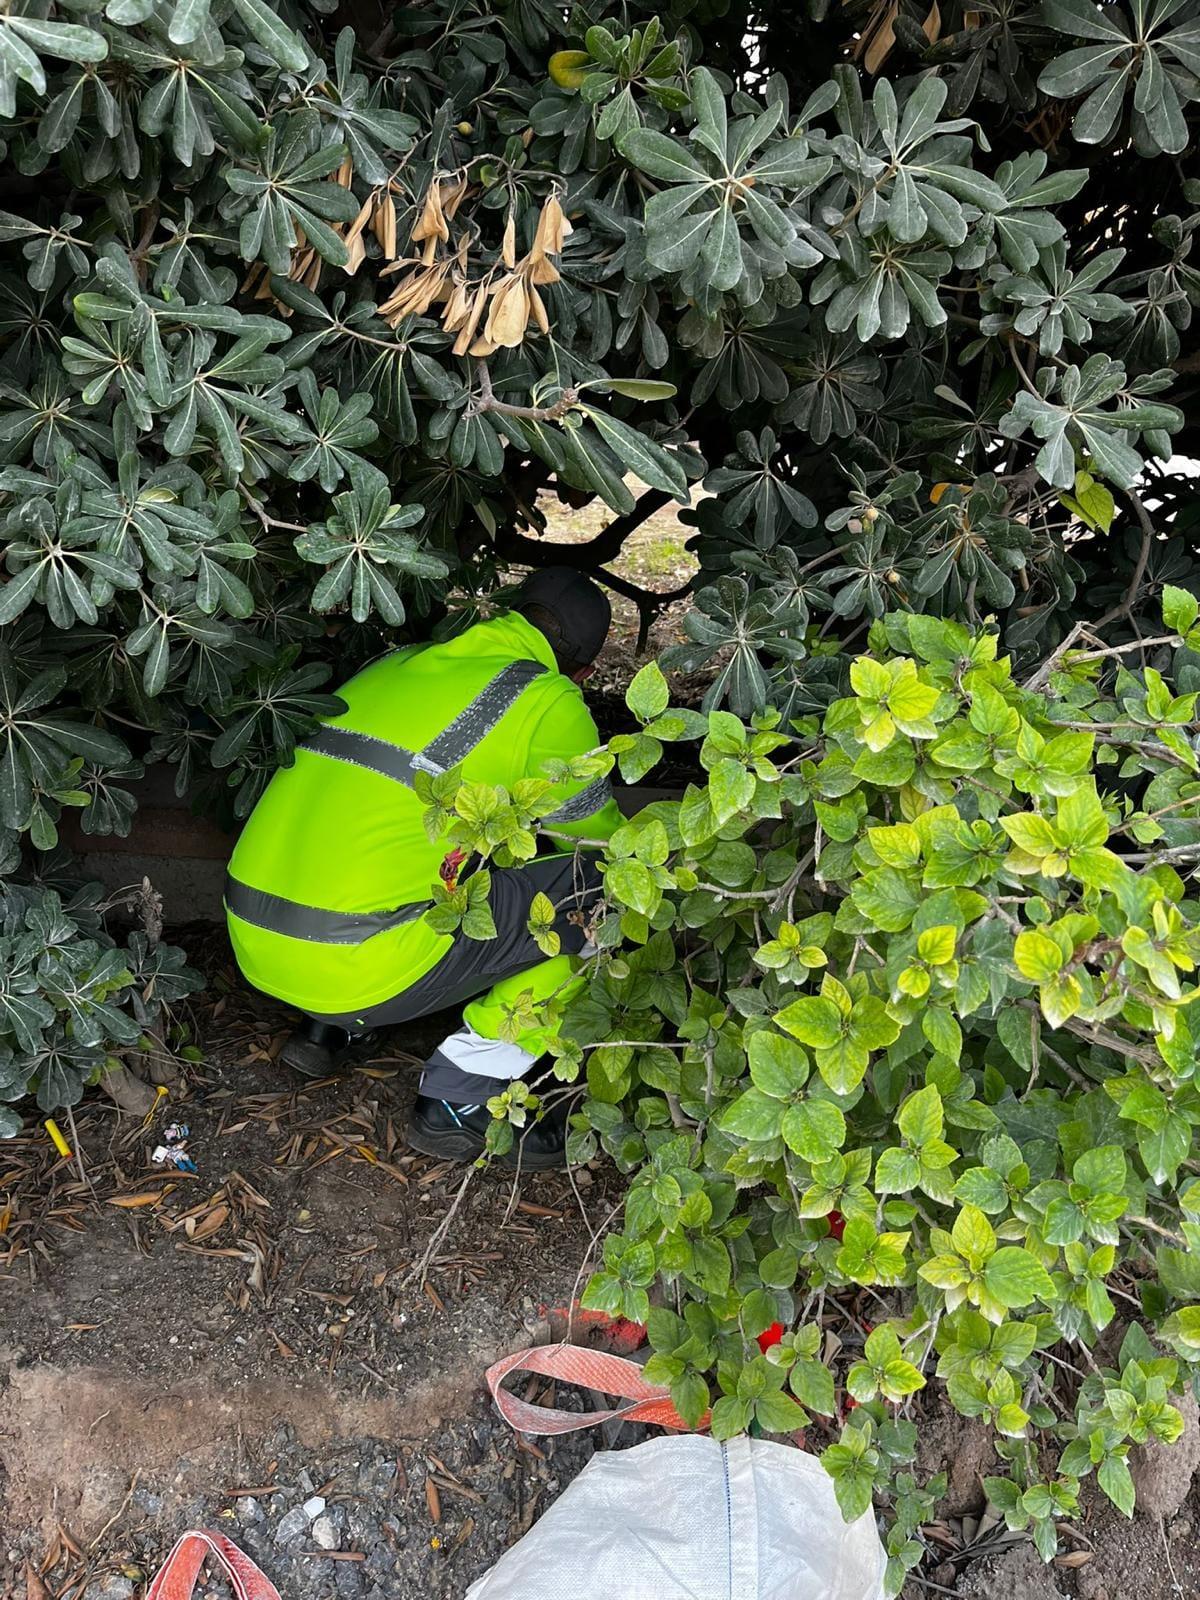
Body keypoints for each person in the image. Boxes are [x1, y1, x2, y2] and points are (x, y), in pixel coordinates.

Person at [224, 568, 622, 1169]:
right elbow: (599, 841)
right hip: (356, 968)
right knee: (601, 888)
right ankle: (463, 1097)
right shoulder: (544, 698)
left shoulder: (401, 662)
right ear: (585, 673)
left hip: (254, 938)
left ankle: (326, 1032)